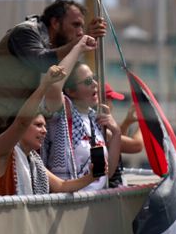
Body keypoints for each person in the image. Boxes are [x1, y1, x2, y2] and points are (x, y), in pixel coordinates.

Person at [0, 0, 104, 188]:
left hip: (1, 126)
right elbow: (40, 61)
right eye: (75, 25)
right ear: (55, 23)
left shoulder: (50, 46)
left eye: (82, 27)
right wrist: (78, 45)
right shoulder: (26, 32)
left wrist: (79, 45)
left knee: (10, 187)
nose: (80, 32)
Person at [0, 65, 94, 197]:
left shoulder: (34, 159)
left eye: (45, 126)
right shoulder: (1, 150)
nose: (44, 131)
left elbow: (62, 186)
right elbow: (21, 123)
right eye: (38, 125)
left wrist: (92, 176)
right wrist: (45, 84)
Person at [42, 62, 121, 192]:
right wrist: (80, 46)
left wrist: (117, 132)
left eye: (94, 78)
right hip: (69, 203)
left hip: (96, 201)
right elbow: (56, 87)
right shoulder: (63, 114)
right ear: (70, 91)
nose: (95, 84)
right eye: (88, 81)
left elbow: (108, 173)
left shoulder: (95, 118)